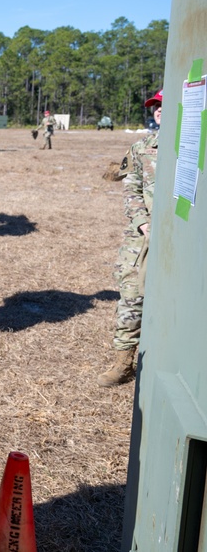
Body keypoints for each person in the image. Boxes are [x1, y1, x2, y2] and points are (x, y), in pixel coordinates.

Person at [97, 89, 162, 387]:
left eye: (164, 104)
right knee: (132, 297)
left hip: (184, 240)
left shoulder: (193, 147)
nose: (158, 110)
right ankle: (124, 363)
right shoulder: (143, 147)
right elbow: (131, 188)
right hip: (144, 237)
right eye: (155, 106)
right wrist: (142, 222)